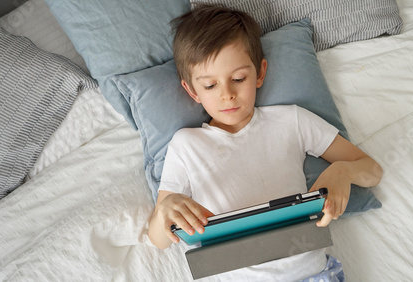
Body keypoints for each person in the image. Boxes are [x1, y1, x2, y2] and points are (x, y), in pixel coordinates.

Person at [148, 4, 383, 281]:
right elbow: (158, 241)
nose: (228, 95)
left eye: (238, 79)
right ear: (192, 90)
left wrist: (343, 171)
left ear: (259, 73)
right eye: (210, 85)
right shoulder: (186, 145)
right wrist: (165, 210)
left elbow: (372, 170)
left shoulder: (291, 121)